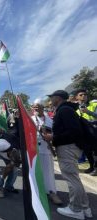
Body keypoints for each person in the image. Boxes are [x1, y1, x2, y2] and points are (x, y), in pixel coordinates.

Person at [43, 90, 92, 219]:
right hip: (69, 147)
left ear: (57, 98)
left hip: (68, 148)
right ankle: (85, 208)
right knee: (75, 178)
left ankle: (76, 210)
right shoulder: (66, 109)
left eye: (52, 97)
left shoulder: (64, 110)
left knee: (71, 179)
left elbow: (74, 131)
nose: (50, 100)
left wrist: (53, 137)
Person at [31, 99, 62, 205]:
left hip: (46, 149)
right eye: (33, 106)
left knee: (48, 172)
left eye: (37, 106)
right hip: (34, 149)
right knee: (35, 171)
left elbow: (55, 133)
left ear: (42, 107)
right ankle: (37, 192)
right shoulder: (30, 119)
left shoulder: (49, 120)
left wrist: (51, 137)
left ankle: (52, 192)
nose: (35, 108)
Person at [74, 89, 97, 175]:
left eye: (85, 94)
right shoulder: (76, 110)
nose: (83, 96)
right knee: (87, 150)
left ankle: (96, 168)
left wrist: (88, 112)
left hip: (95, 131)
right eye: (81, 95)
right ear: (77, 97)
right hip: (85, 133)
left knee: (96, 150)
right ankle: (91, 166)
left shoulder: (94, 105)